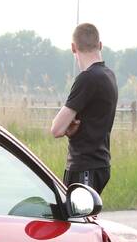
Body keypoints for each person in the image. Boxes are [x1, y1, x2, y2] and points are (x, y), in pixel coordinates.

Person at [49, 23, 118, 195]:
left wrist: (65, 128)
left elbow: (56, 129)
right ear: (100, 45)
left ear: (73, 47)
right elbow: (91, 119)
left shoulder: (88, 78)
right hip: (100, 164)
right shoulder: (108, 75)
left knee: (79, 213)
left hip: (85, 167)